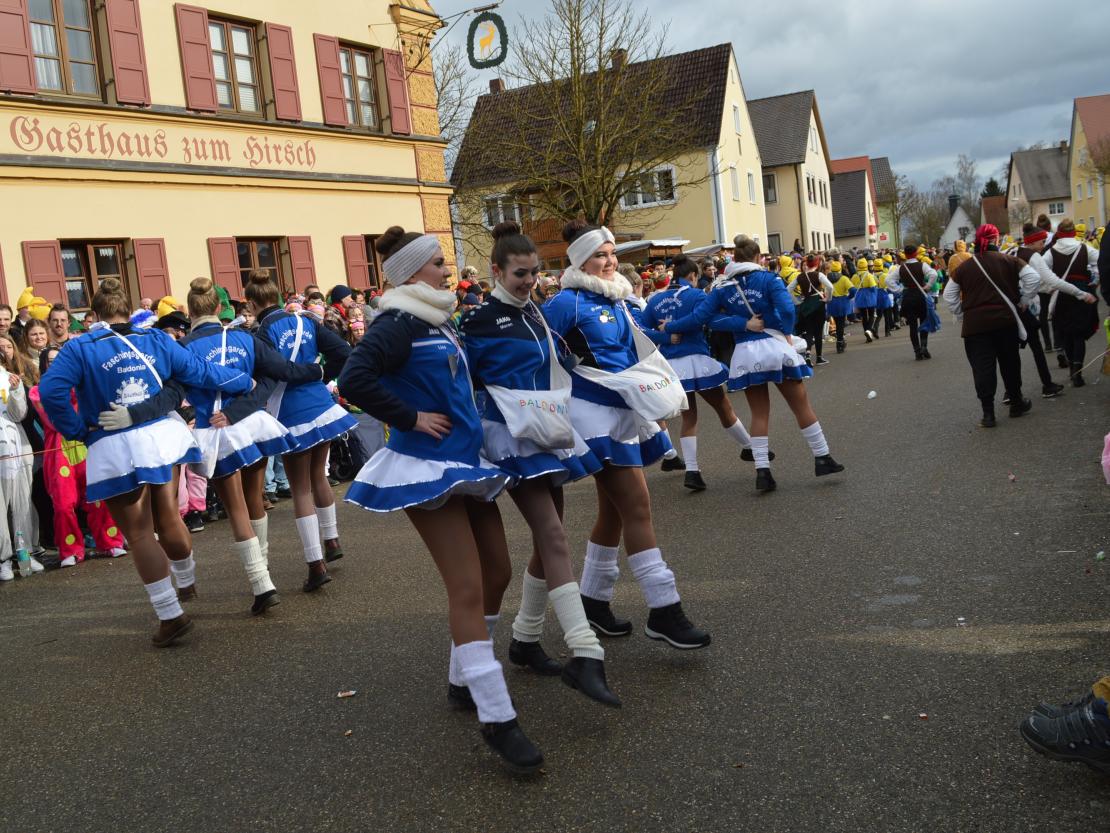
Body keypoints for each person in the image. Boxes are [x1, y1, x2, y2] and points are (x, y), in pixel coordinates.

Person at [339, 226, 542, 773]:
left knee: (497, 571)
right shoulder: (396, 323)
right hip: (425, 469)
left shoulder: (437, 318)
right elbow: (353, 378)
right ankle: (497, 718)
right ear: (408, 273)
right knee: (468, 585)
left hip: (466, 462)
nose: (447, 270)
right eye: (436, 263)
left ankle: (462, 679)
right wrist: (409, 417)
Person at [39, 279, 252, 645]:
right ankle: (185, 581)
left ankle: (171, 615)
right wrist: (242, 380)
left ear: (94, 312)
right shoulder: (155, 339)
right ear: (127, 307)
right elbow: (198, 373)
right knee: (168, 515)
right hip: (160, 437)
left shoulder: (80, 349)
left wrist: (77, 429)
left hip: (113, 444)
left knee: (139, 534)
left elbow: (50, 391)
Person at [460, 221, 619, 707]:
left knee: (550, 535)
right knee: (551, 534)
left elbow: (561, 361)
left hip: (546, 427)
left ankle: (526, 640)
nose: (530, 282)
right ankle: (585, 652)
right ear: (495, 271)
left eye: (534, 273)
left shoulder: (536, 312)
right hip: (509, 434)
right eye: (520, 274)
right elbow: (461, 382)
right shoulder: (477, 319)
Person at [544, 221, 711, 649]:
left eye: (612, 253)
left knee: (616, 511)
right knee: (637, 505)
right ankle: (664, 608)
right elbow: (541, 356)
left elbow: (629, 347)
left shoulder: (616, 297)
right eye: (600, 255)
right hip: (593, 415)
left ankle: (594, 601)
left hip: (625, 409)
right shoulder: (566, 302)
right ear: (579, 260)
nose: (609, 261)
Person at [174, 277, 325, 612]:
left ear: (192, 310)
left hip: (216, 429)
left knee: (237, 509)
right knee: (255, 500)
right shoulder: (244, 337)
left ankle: (262, 583)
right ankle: (264, 571)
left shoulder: (184, 347)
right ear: (218, 307)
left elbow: (175, 390)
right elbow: (281, 371)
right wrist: (316, 372)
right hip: (252, 425)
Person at [663, 235, 844, 494]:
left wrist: (671, 326)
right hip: (775, 347)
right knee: (800, 405)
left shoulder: (723, 287)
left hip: (746, 354)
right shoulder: (769, 280)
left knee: (759, 414)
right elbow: (787, 310)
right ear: (759, 258)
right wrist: (786, 332)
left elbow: (704, 319)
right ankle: (822, 457)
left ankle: (763, 472)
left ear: (734, 259)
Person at [248, 270, 355, 591]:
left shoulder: (261, 332)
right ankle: (332, 540)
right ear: (278, 297)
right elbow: (344, 352)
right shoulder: (305, 320)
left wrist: (312, 373)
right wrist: (322, 374)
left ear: (253, 304)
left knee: (300, 490)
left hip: (291, 410)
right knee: (319, 477)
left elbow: (275, 371)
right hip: (321, 405)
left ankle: (315, 564)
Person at [644, 255, 759, 491]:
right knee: (724, 408)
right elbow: (701, 320)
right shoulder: (697, 295)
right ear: (693, 276)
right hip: (697, 360)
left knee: (690, 417)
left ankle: (693, 471)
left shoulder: (655, 300)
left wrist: (665, 335)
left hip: (671, 366)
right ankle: (752, 449)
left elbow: (641, 329)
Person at [29, 346, 125, 567]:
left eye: (59, 360)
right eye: (50, 361)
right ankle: (70, 549)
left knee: (99, 498)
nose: (55, 364)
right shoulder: (39, 391)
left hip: (85, 446)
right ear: (44, 365)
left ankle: (110, 541)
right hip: (60, 450)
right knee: (63, 504)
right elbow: (53, 420)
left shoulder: (81, 385)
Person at [943, 225, 1040, 427]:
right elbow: (1034, 279)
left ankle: (988, 414)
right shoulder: (1009, 260)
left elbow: (949, 296)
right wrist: (1023, 301)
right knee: (1010, 363)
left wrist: (963, 314)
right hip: (1005, 321)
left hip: (975, 327)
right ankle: (1016, 403)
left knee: (982, 368)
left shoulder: (965, 267)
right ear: (996, 240)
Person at [1011, 224, 1096, 397]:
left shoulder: (1014, 252)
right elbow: (1052, 280)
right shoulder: (1035, 256)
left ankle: (1011, 391)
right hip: (1032, 303)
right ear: (1033, 242)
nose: (1043, 245)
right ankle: (1057, 380)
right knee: (1043, 346)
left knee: (1012, 353)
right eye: (1042, 242)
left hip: (1015, 304)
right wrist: (1082, 292)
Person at [1038, 219, 1101, 387]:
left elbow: (1040, 271)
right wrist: (1095, 278)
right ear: (1073, 232)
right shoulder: (1084, 247)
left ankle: (1072, 367)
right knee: (1079, 334)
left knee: (1066, 332)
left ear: (1059, 232)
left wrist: (1049, 287)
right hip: (1082, 292)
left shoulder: (1051, 252)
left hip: (1061, 294)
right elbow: (1100, 261)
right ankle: (1078, 372)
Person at [0, 337, 41, 581]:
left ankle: (25, 556)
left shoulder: (9, 377)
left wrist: (16, 391)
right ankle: (3, 559)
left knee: (23, 502)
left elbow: (19, 413)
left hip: (17, 444)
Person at [885, 243, 939, 360]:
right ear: (915, 253)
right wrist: (928, 286)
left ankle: (917, 351)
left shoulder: (901, 268)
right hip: (921, 295)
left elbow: (888, 280)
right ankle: (924, 346)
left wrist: (899, 290)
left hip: (908, 296)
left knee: (912, 326)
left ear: (905, 254)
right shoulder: (922, 265)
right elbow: (933, 274)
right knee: (924, 322)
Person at [785, 255, 833, 366]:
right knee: (818, 331)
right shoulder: (819, 274)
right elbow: (830, 287)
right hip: (819, 303)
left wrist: (796, 301)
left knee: (808, 331)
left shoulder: (800, 276)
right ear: (817, 264)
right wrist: (828, 298)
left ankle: (807, 355)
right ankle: (819, 358)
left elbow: (787, 290)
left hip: (806, 305)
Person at [826, 260, 855, 354]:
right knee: (841, 324)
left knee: (837, 323)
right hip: (842, 302)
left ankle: (840, 342)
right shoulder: (844, 278)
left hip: (831, 302)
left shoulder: (826, 278)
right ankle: (840, 343)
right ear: (840, 269)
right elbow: (853, 290)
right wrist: (849, 297)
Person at [852, 259, 879, 342]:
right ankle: (869, 330)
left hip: (859, 296)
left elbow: (852, 286)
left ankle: (867, 333)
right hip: (869, 296)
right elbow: (873, 287)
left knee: (864, 316)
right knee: (871, 314)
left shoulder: (854, 276)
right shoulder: (868, 275)